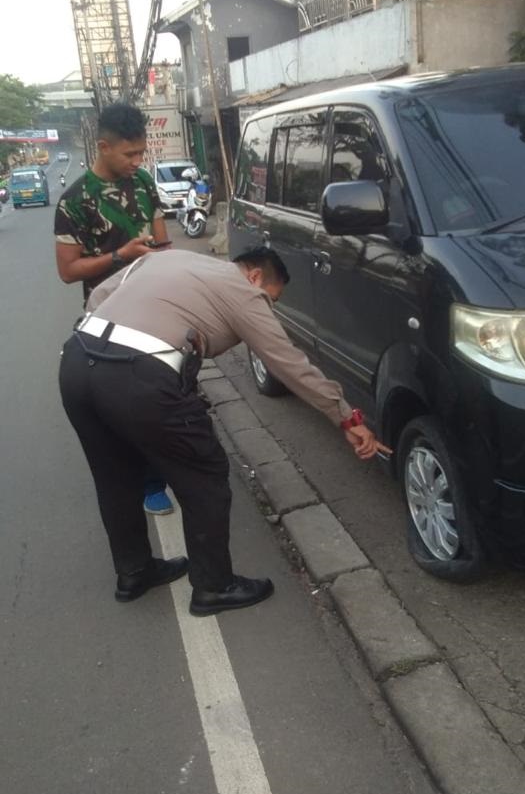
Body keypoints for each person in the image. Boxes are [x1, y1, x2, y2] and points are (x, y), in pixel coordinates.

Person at [58, 247, 390, 616]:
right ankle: (214, 586)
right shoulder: (243, 291)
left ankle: (134, 572)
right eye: (271, 298)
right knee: (204, 474)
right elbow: (287, 362)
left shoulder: (169, 257)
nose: (268, 307)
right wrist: (345, 416)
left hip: (77, 361)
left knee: (115, 477)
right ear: (255, 277)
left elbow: (102, 294)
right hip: (141, 377)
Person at [54, 101, 174, 517]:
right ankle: (142, 484)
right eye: (130, 154)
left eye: (142, 153)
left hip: (156, 313)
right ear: (103, 147)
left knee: (162, 398)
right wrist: (121, 255)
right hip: (107, 322)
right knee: (124, 408)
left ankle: (160, 475)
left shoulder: (143, 183)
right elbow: (68, 271)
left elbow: (163, 241)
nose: (138, 162)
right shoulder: (75, 202)